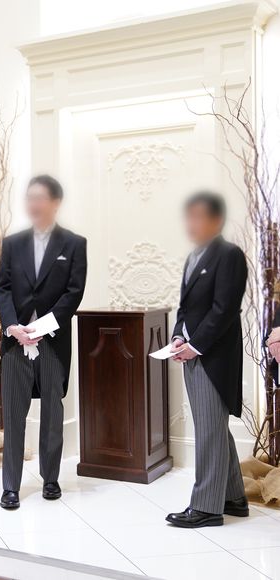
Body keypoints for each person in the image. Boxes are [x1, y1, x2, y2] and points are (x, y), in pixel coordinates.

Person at [0, 175, 87, 510]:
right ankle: (10, 486)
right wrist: (12, 326)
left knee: (52, 414)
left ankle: (50, 479)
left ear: (55, 202)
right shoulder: (12, 243)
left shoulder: (74, 244)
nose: (33, 204)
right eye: (29, 197)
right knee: (14, 415)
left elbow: (73, 292)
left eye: (40, 198)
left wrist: (43, 327)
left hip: (52, 341)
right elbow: (2, 287)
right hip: (16, 341)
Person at [167, 192, 248, 529]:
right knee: (213, 427)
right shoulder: (194, 256)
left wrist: (196, 345)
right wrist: (178, 336)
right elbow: (186, 308)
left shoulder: (229, 255)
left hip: (214, 357)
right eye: (189, 216)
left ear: (217, 220)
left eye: (199, 216)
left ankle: (206, 508)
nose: (191, 223)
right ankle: (234, 498)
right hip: (192, 353)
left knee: (209, 431)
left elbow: (224, 309)